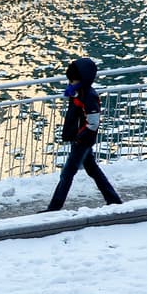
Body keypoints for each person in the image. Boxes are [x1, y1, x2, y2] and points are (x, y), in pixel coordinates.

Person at [44, 57, 123, 211]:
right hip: (80, 138)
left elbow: (92, 123)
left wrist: (80, 138)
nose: (70, 83)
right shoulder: (79, 92)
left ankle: (54, 207)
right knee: (93, 170)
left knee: (67, 174)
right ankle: (113, 200)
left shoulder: (88, 96)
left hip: (82, 140)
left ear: (81, 79)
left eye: (72, 80)